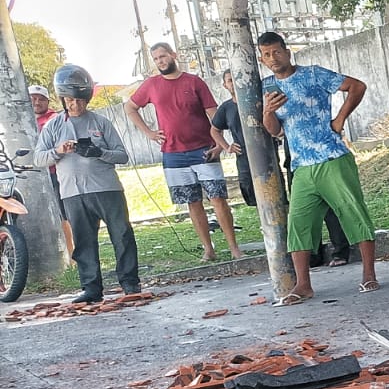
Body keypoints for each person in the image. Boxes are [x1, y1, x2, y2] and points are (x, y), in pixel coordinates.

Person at [256, 31, 379, 302]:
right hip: (301, 165)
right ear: (261, 59)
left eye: (277, 52)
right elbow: (275, 131)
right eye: (266, 55)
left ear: (287, 52)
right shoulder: (266, 87)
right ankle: (303, 286)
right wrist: (267, 112)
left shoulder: (313, 74)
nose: (273, 58)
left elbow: (357, 86)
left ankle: (369, 274)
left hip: (332, 157)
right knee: (298, 223)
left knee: (353, 213)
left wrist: (340, 119)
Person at [214, 68, 351, 265]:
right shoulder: (235, 105)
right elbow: (275, 130)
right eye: (230, 80)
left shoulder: (273, 90)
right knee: (301, 210)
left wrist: (338, 121)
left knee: (329, 203)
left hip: (319, 153)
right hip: (293, 157)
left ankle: (340, 251)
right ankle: (312, 254)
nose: (235, 84)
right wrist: (228, 145)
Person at [124, 42, 241, 261]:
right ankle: (208, 249)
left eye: (163, 56)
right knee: (192, 202)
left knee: (218, 198)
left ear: (173, 55)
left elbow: (215, 115)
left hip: (204, 149)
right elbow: (129, 107)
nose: (160, 61)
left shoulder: (194, 82)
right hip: (173, 154)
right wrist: (149, 132)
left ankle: (234, 248)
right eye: (156, 58)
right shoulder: (151, 85)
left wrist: (220, 144)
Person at [34, 65, 139, 305]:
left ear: (87, 99)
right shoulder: (53, 126)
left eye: (80, 100)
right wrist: (58, 151)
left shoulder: (101, 122)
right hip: (73, 192)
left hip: (106, 188)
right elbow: (39, 158)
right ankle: (91, 287)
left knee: (122, 234)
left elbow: (122, 155)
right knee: (83, 241)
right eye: (70, 100)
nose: (75, 105)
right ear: (63, 99)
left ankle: (130, 283)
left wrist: (99, 152)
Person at [29, 83, 74, 256]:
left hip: (55, 173)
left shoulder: (55, 119)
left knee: (64, 214)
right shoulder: (22, 121)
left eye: (41, 99)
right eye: (33, 99)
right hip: (31, 176)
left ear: (48, 102)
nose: (37, 102)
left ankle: (72, 253)